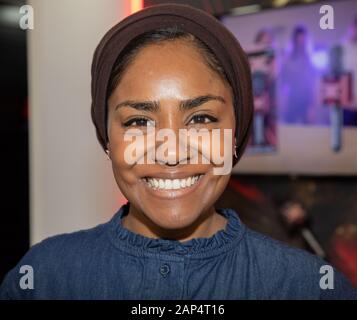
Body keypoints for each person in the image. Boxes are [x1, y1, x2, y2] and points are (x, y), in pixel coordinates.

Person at [0, 4, 356, 300]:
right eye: (139, 121)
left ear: (237, 133)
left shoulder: (308, 288)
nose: (170, 152)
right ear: (107, 139)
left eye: (200, 118)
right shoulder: (46, 280)